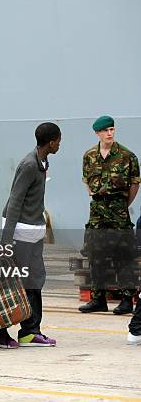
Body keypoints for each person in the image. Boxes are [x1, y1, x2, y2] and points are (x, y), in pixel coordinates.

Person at [0, 122, 61, 349]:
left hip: (32, 232)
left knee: (35, 278)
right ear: (51, 142)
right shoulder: (29, 164)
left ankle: (30, 331)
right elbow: (15, 200)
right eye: (59, 140)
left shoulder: (42, 162)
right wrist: (6, 241)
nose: (60, 144)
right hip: (18, 233)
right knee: (10, 282)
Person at [78, 116, 140, 314]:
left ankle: (126, 300)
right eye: (105, 130)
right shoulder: (89, 156)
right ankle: (98, 299)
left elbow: (134, 184)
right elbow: (86, 181)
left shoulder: (127, 156)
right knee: (96, 255)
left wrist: (122, 205)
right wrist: (96, 197)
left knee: (123, 256)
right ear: (97, 133)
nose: (110, 133)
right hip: (97, 213)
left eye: (112, 129)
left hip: (119, 212)